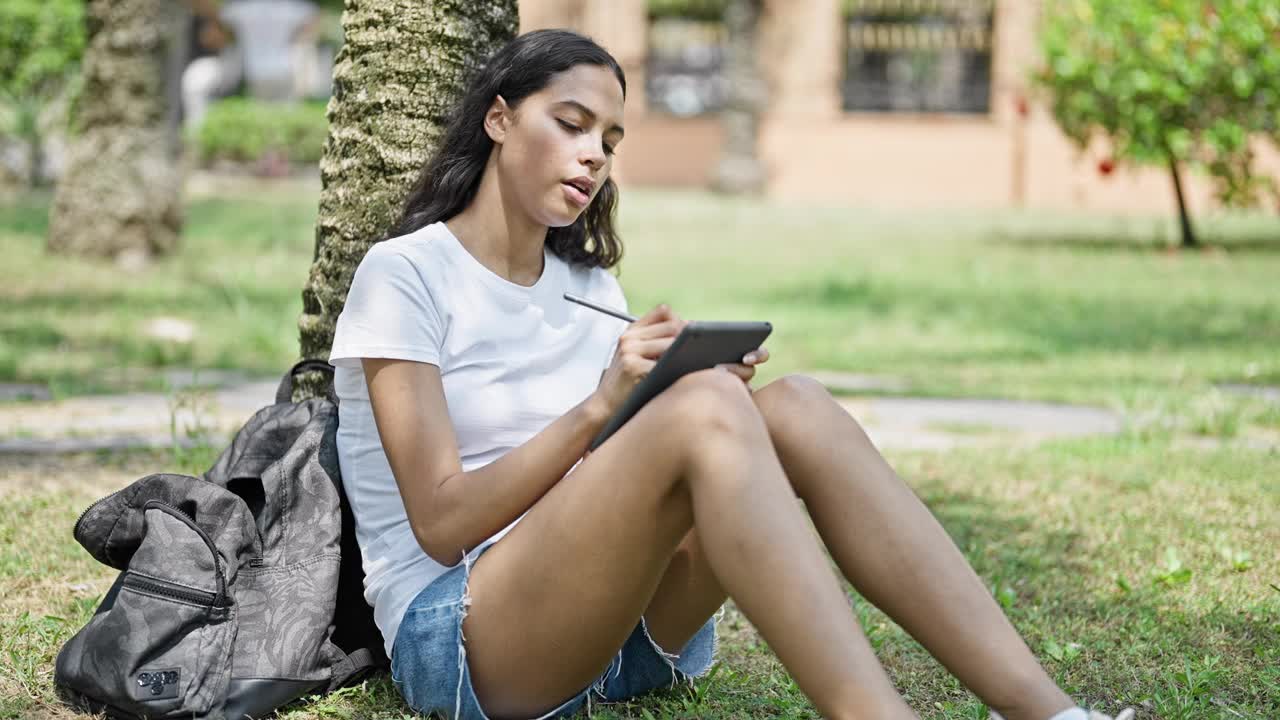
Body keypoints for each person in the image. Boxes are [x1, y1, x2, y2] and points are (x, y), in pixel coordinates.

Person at [327, 29, 1135, 720]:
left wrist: (684, 402)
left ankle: (1052, 711)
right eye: (570, 124)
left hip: (617, 633)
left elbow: (613, 473)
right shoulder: (407, 276)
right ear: (499, 118)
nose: (592, 156)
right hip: (468, 641)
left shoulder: (589, 287)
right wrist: (605, 406)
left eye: (608, 141)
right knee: (705, 408)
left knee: (797, 408)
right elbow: (439, 521)